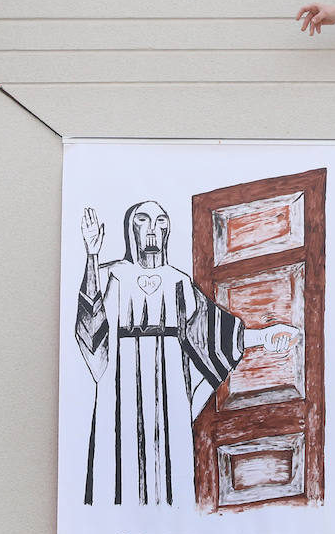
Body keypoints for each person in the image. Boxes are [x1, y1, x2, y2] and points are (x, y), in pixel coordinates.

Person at [75, 202, 298, 507]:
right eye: (143, 220)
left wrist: (264, 337)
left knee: (169, 473)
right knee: (118, 465)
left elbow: (216, 333)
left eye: (160, 221)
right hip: (119, 390)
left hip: (169, 394)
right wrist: (91, 254)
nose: (152, 229)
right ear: (131, 229)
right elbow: (89, 330)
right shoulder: (109, 275)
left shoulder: (179, 282)